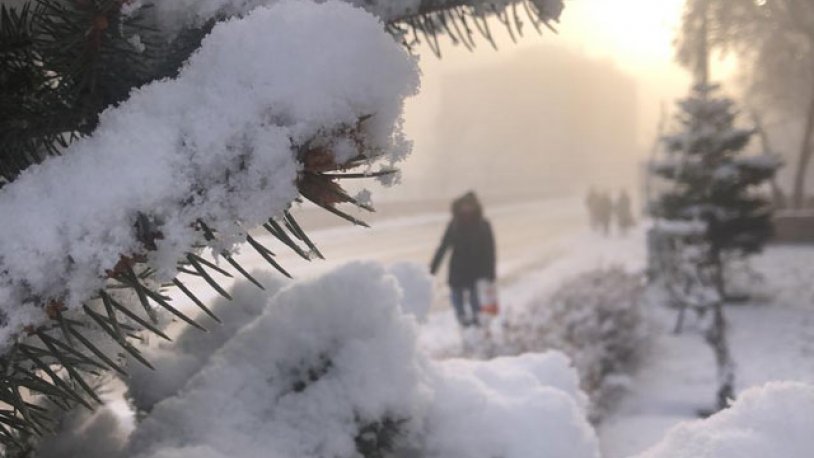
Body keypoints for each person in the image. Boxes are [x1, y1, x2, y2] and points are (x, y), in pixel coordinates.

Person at [430, 192, 496, 327]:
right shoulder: (454, 224)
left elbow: (490, 250)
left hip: (476, 269)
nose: (467, 208)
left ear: (475, 207)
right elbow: (443, 247)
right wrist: (432, 269)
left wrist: (490, 273)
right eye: (464, 206)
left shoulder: (483, 225)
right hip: (457, 269)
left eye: (470, 206)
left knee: (475, 300)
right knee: (456, 298)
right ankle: (463, 322)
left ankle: (477, 325)